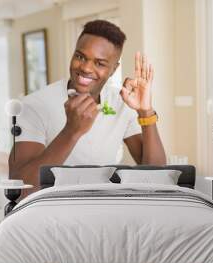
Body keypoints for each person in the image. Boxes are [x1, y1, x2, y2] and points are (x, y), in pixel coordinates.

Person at [9, 19, 166, 191]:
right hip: (54, 210)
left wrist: (145, 112)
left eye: (99, 63)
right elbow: (21, 188)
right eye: (80, 56)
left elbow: (155, 178)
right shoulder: (33, 105)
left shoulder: (121, 102)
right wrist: (71, 132)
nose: (85, 68)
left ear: (114, 69)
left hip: (105, 206)